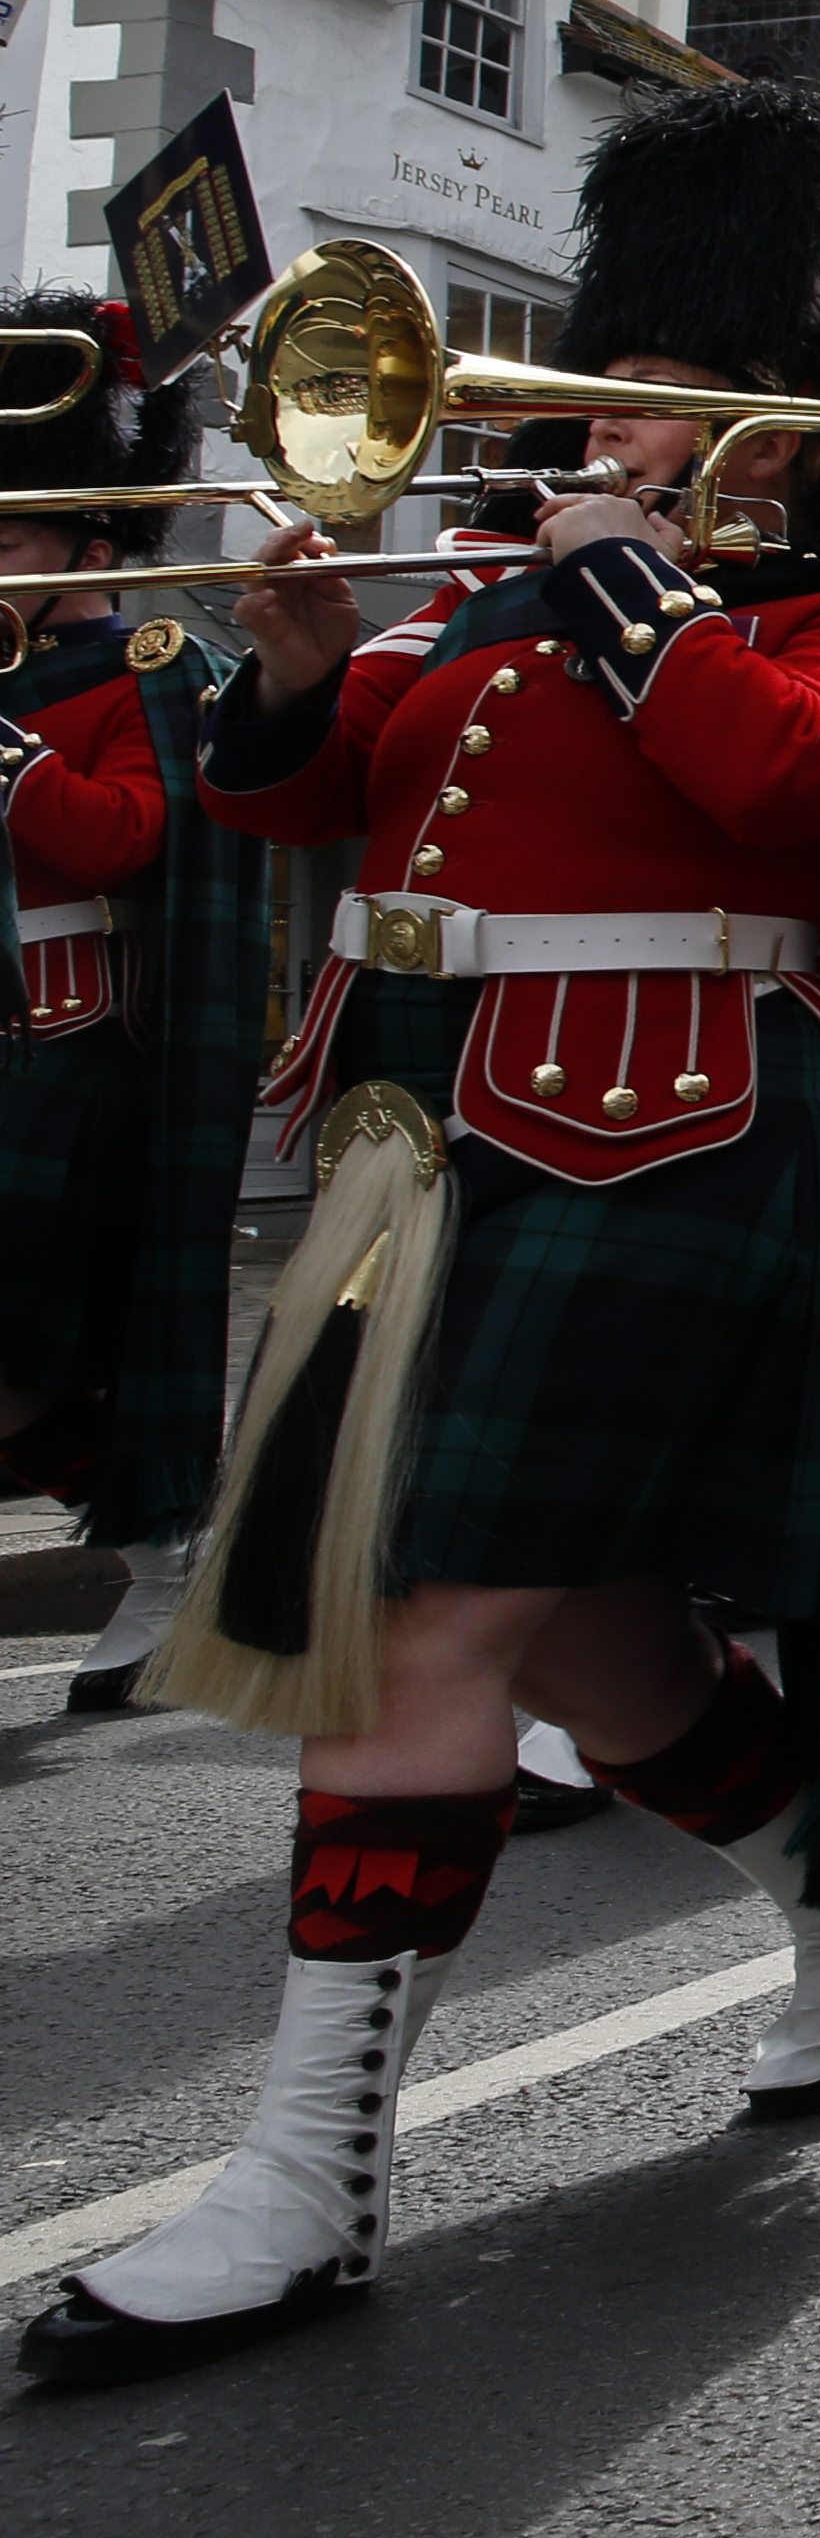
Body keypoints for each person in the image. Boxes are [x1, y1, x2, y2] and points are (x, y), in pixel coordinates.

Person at [34, 72, 820, 2386]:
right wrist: (297, 665)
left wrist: (618, 573)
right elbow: (302, 801)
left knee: (408, 1619)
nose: (612, 420)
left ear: (786, 426)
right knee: (601, 1658)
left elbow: (796, 778)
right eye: (614, 383)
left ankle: (304, 2169)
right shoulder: (494, 593)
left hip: (689, 1128)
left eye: (665, 395)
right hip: (441, 1132)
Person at [0, 294, 260, 1715]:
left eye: (5, 543)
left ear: (90, 548)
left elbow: (121, 844)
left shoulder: (148, 673)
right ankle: (163, 1539)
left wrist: (5, 760)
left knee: (29, 1351)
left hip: (75, 1045)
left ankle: (164, 1539)